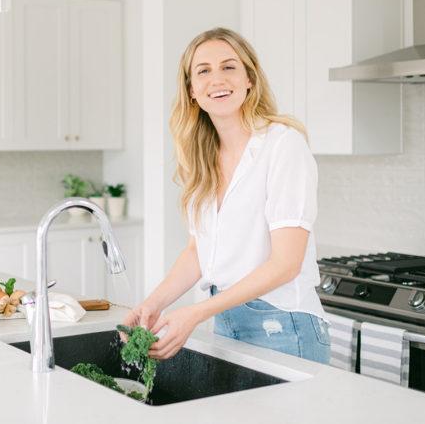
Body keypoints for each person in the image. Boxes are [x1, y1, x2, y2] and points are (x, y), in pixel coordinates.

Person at [122, 27, 330, 364]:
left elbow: (286, 264)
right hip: (227, 321)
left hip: (283, 326)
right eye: (203, 71)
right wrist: (153, 304)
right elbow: (198, 253)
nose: (217, 79)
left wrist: (196, 313)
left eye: (229, 67)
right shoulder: (202, 158)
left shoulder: (283, 144)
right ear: (192, 90)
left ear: (249, 78)